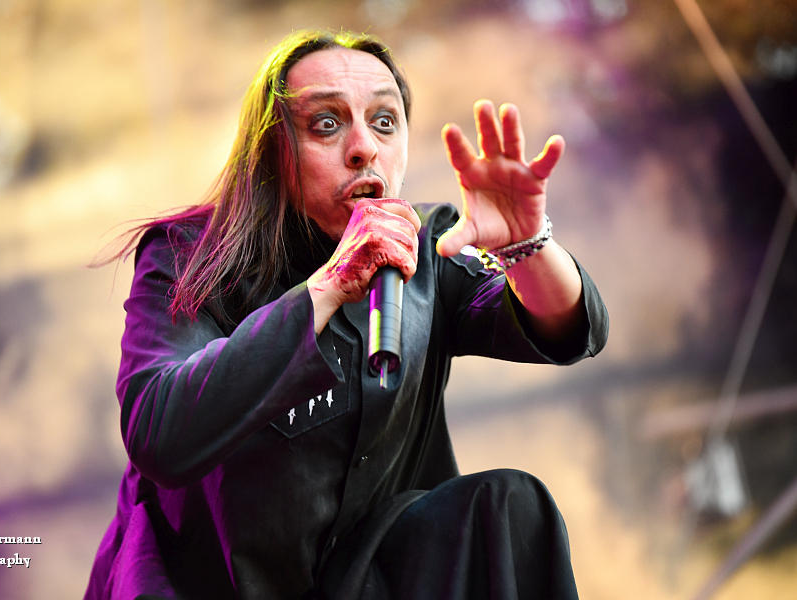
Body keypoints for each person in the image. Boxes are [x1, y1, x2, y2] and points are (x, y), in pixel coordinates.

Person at [85, 29, 608, 600]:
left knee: (510, 505)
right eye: (327, 124)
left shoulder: (427, 247)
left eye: (384, 121)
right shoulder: (187, 254)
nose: (364, 148)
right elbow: (159, 431)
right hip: (210, 587)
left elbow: (567, 329)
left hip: (364, 578)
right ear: (271, 152)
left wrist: (527, 245)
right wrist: (330, 285)